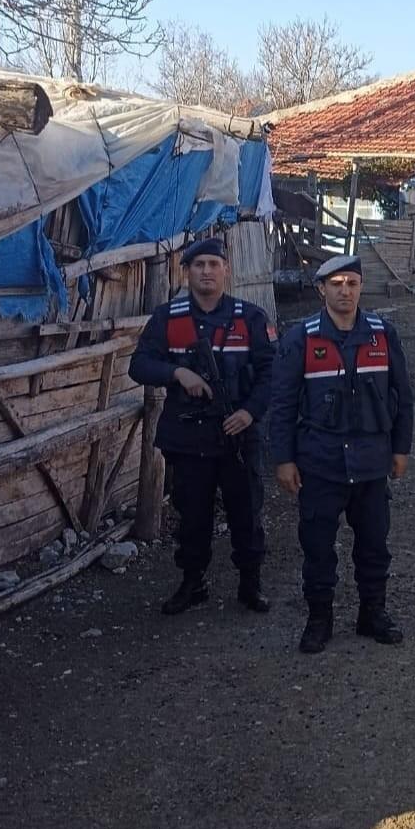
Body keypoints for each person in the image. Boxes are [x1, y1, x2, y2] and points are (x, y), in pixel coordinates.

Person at [268, 255, 413, 654]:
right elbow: (281, 403)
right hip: (320, 463)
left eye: (351, 282)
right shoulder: (302, 337)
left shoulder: (383, 335)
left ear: (361, 287)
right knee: (317, 546)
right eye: (336, 284)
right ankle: (319, 619)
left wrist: (401, 449)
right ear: (321, 289)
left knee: (374, 545)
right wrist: (283, 459)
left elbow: (403, 396)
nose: (344, 290)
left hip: (371, 463)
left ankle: (373, 614)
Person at [128, 237, 275, 616]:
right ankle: (192, 583)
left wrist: (250, 413)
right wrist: (177, 372)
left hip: (239, 433)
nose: (206, 271)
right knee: (192, 515)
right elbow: (139, 365)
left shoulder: (250, 317)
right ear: (187, 271)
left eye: (213, 264)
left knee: (247, 513)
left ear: (226, 270)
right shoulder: (168, 318)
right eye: (199, 265)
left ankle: (250, 584)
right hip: (190, 436)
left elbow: (273, 373)